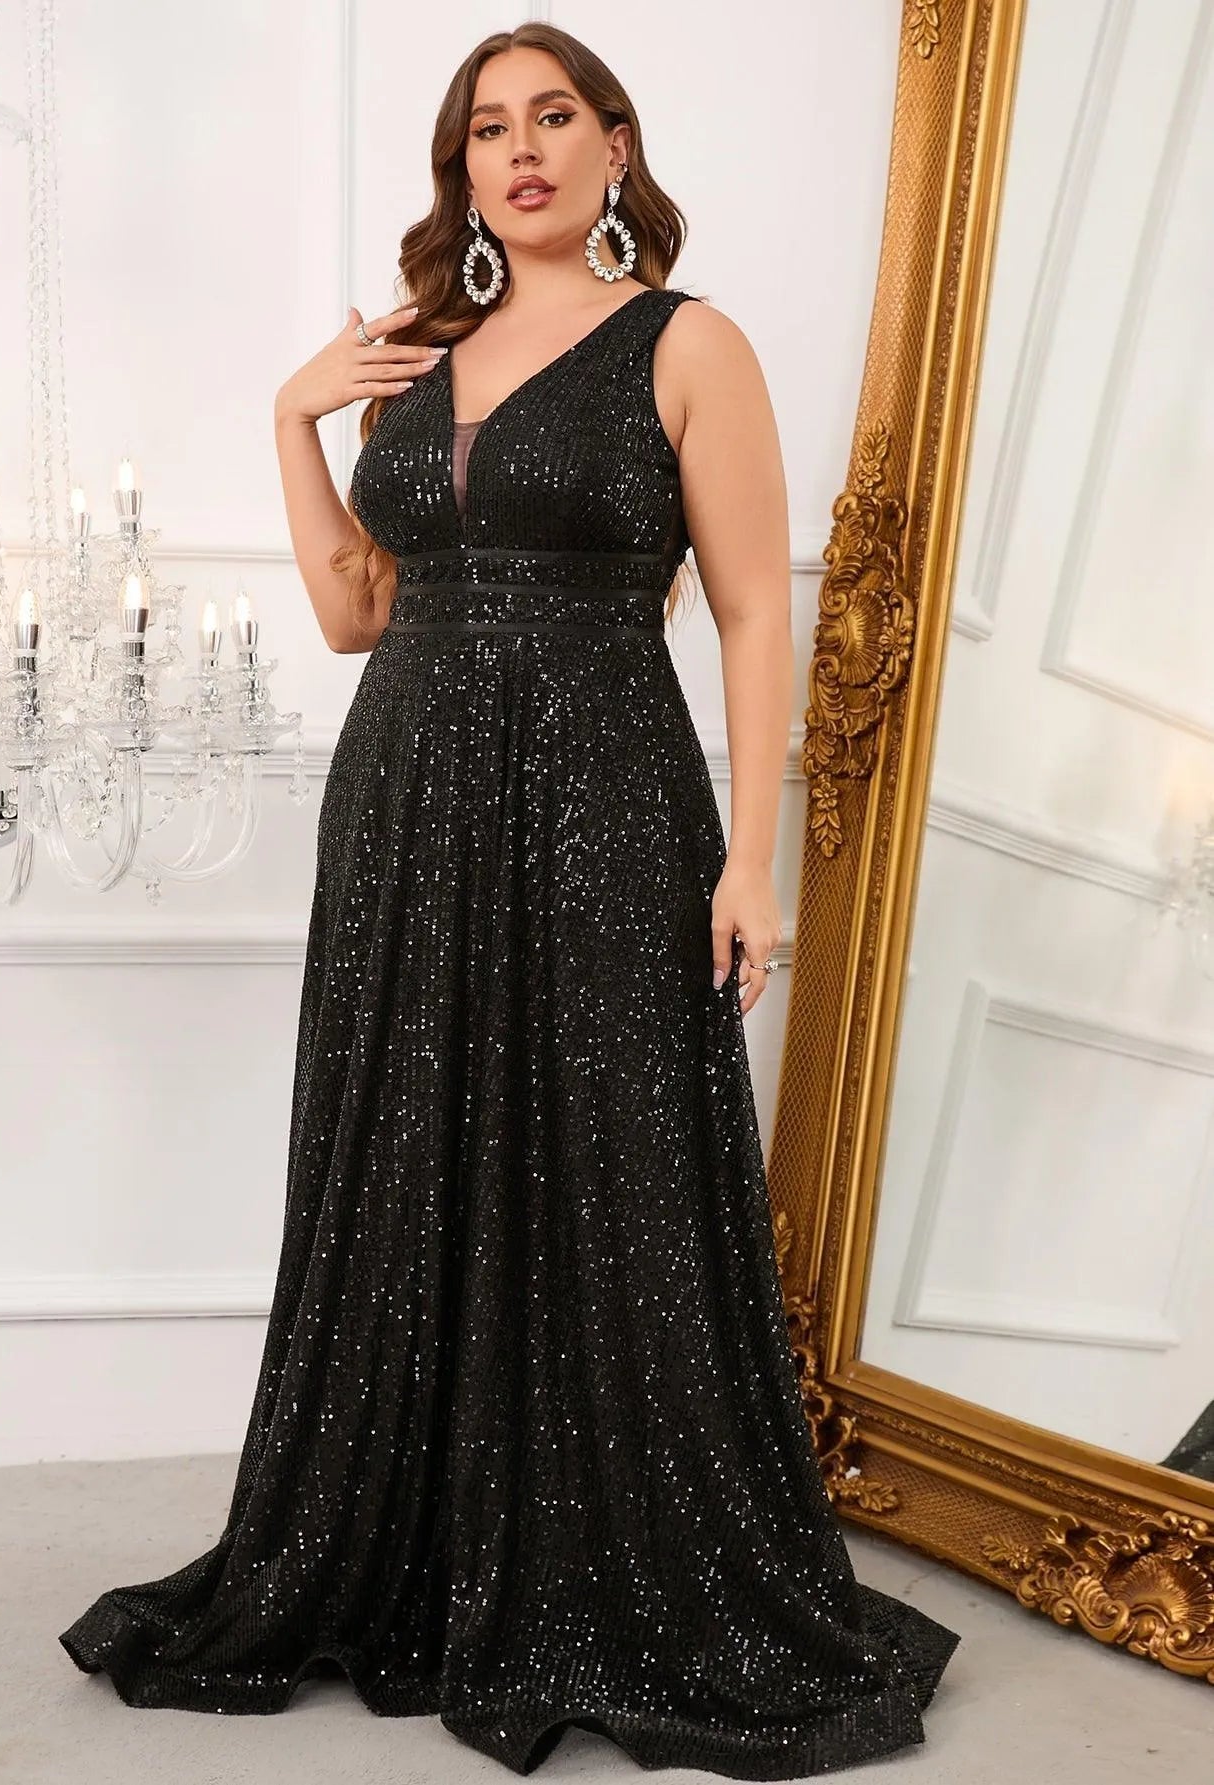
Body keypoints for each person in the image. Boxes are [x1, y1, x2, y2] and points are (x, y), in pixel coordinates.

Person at [59, 22, 960, 1779]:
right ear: (461, 169)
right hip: (404, 803)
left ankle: (620, 1559)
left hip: (609, 796)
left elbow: (754, 608)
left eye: (555, 117)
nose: (521, 150)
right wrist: (293, 417)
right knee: (401, 1146)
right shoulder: (413, 358)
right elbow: (355, 614)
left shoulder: (687, 343)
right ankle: (410, 1541)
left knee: (611, 1156)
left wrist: (754, 857)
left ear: (616, 146)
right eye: (488, 128)